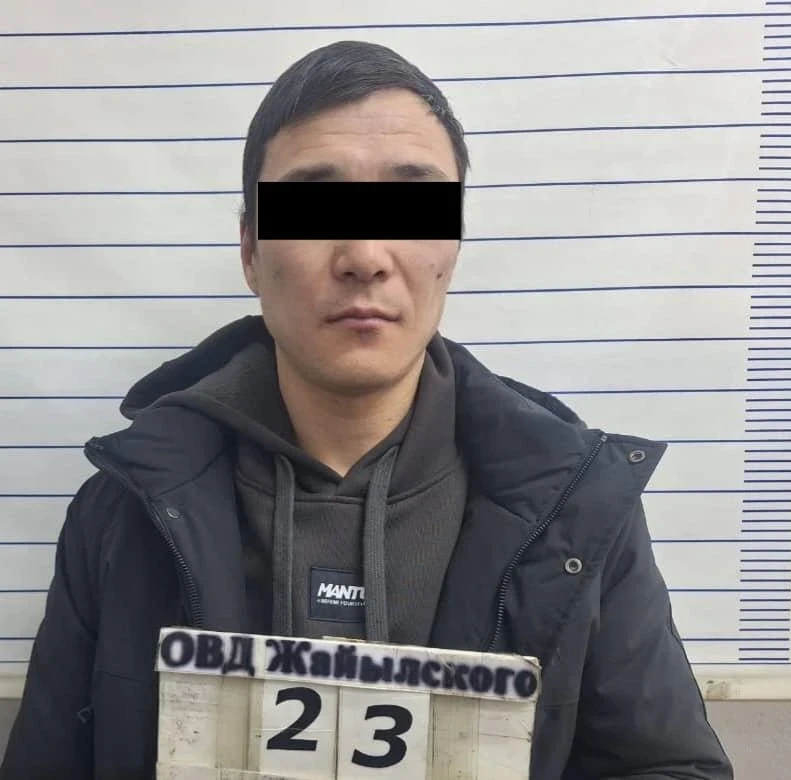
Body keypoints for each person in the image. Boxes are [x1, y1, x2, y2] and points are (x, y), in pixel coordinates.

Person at [0, 40, 733, 780]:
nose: (365, 254)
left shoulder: (577, 508)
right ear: (251, 251)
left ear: (451, 243)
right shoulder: (121, 511)